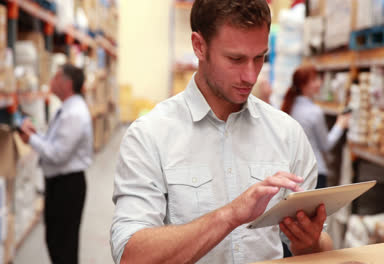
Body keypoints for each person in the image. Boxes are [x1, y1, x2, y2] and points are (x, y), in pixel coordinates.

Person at [110, 1, 333, 263]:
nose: (250, 76)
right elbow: (131, 255)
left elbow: (320, 245)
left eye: (259, 57)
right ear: (199, 46)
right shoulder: (150, 136)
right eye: (235, 59)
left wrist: (309, 242)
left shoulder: (287, 134)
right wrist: (230, 215)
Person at [19, 64, 92, 264]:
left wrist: (30, 140)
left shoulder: (74, 113)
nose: (51, 80)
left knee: (63, 245)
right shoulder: (67, 108)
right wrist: (36, 135)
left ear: (67, 83)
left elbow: (58, 154)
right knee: (56, 240)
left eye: (56, 77)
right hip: (60, 184)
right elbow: (55, 142)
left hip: (67, 186)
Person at [281, 65, 350, 189]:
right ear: (303, 85)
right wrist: (340, 124)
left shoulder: (288, 107)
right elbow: (326, 145)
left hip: (293, 173)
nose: (319, 83)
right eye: (313, 80)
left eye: (318, 79)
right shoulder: (314, 111)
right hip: (315, 173)